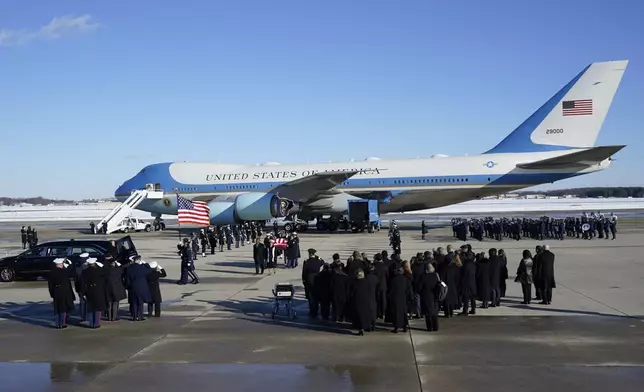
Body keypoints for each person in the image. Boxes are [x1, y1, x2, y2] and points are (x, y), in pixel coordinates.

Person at [48, 258, 75, 329]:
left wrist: (52, 293)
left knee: (57, 308)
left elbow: (50, 284)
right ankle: (62, 323)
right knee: (63, 308)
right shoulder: (64, 271)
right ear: (60, 264)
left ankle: (57, 324)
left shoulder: (52, 272)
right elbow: (71, 269)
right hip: (64, 291)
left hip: (56, 291)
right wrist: (69, 262)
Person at [81, 258, 108, 329]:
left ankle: (91, 323)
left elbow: (83, 283)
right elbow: (106, 272)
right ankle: (96, 323)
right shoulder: (98, 270)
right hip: (98, 290)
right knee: (97, 308)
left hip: (89, 290)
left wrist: (83, 292)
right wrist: (101, 266)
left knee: (91, 308)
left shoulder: (84, 271)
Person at [125, 256, 152, 321]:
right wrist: (145, 264)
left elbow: (127, 279)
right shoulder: (142, 268)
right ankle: (140, 316)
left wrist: (128, 286)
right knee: (140, 303)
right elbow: (149, 270)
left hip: (133, 287)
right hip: (141, 287)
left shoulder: (129, 269)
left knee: (134, 302)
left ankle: (134, 316)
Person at [388, 266, 413, 333]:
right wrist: (410, 297)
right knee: (404, 313)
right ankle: (404, 326)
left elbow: (391, 290)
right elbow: (409, 290)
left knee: (396, 313)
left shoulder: (393, 280)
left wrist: (389, 297)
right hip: (403, 298)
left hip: (396, 298)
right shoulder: (406, 280)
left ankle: (396, 327)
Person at [302, 248, 324, 318]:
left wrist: (304, 281)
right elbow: (322, 262)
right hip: (317, 280)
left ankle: (312, 311)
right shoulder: (318, 261)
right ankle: (316, 310)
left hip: (309, 280)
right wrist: (318, 257)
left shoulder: (306, 261)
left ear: (309, 254)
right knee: (316, 296)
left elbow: (304, 272)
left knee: (310, 297)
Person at [418, 263, 440, 332]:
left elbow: (419, 287)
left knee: (427, 313)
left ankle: (429, 327)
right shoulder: (436, 276)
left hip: (426, 296)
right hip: (435, 296)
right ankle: (435, 327)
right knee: (434, 313)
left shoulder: (423, 277)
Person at [104, 256, 127, 321]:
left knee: (109, 304)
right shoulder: (118, 270)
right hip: (117, 289)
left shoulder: (106, 270)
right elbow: (123, 269)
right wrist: (118, 265)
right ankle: (114, 317)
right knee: (115, 304)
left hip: (108, 289)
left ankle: (109, 317)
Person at [350, 269, 372, 336]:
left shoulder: (354, 282)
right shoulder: (367, 281)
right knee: (365, 314)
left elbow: (352, 292)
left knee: (358, 315)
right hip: (365, 300)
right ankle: (366, 327)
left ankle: (360, 329)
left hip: (357, 300)